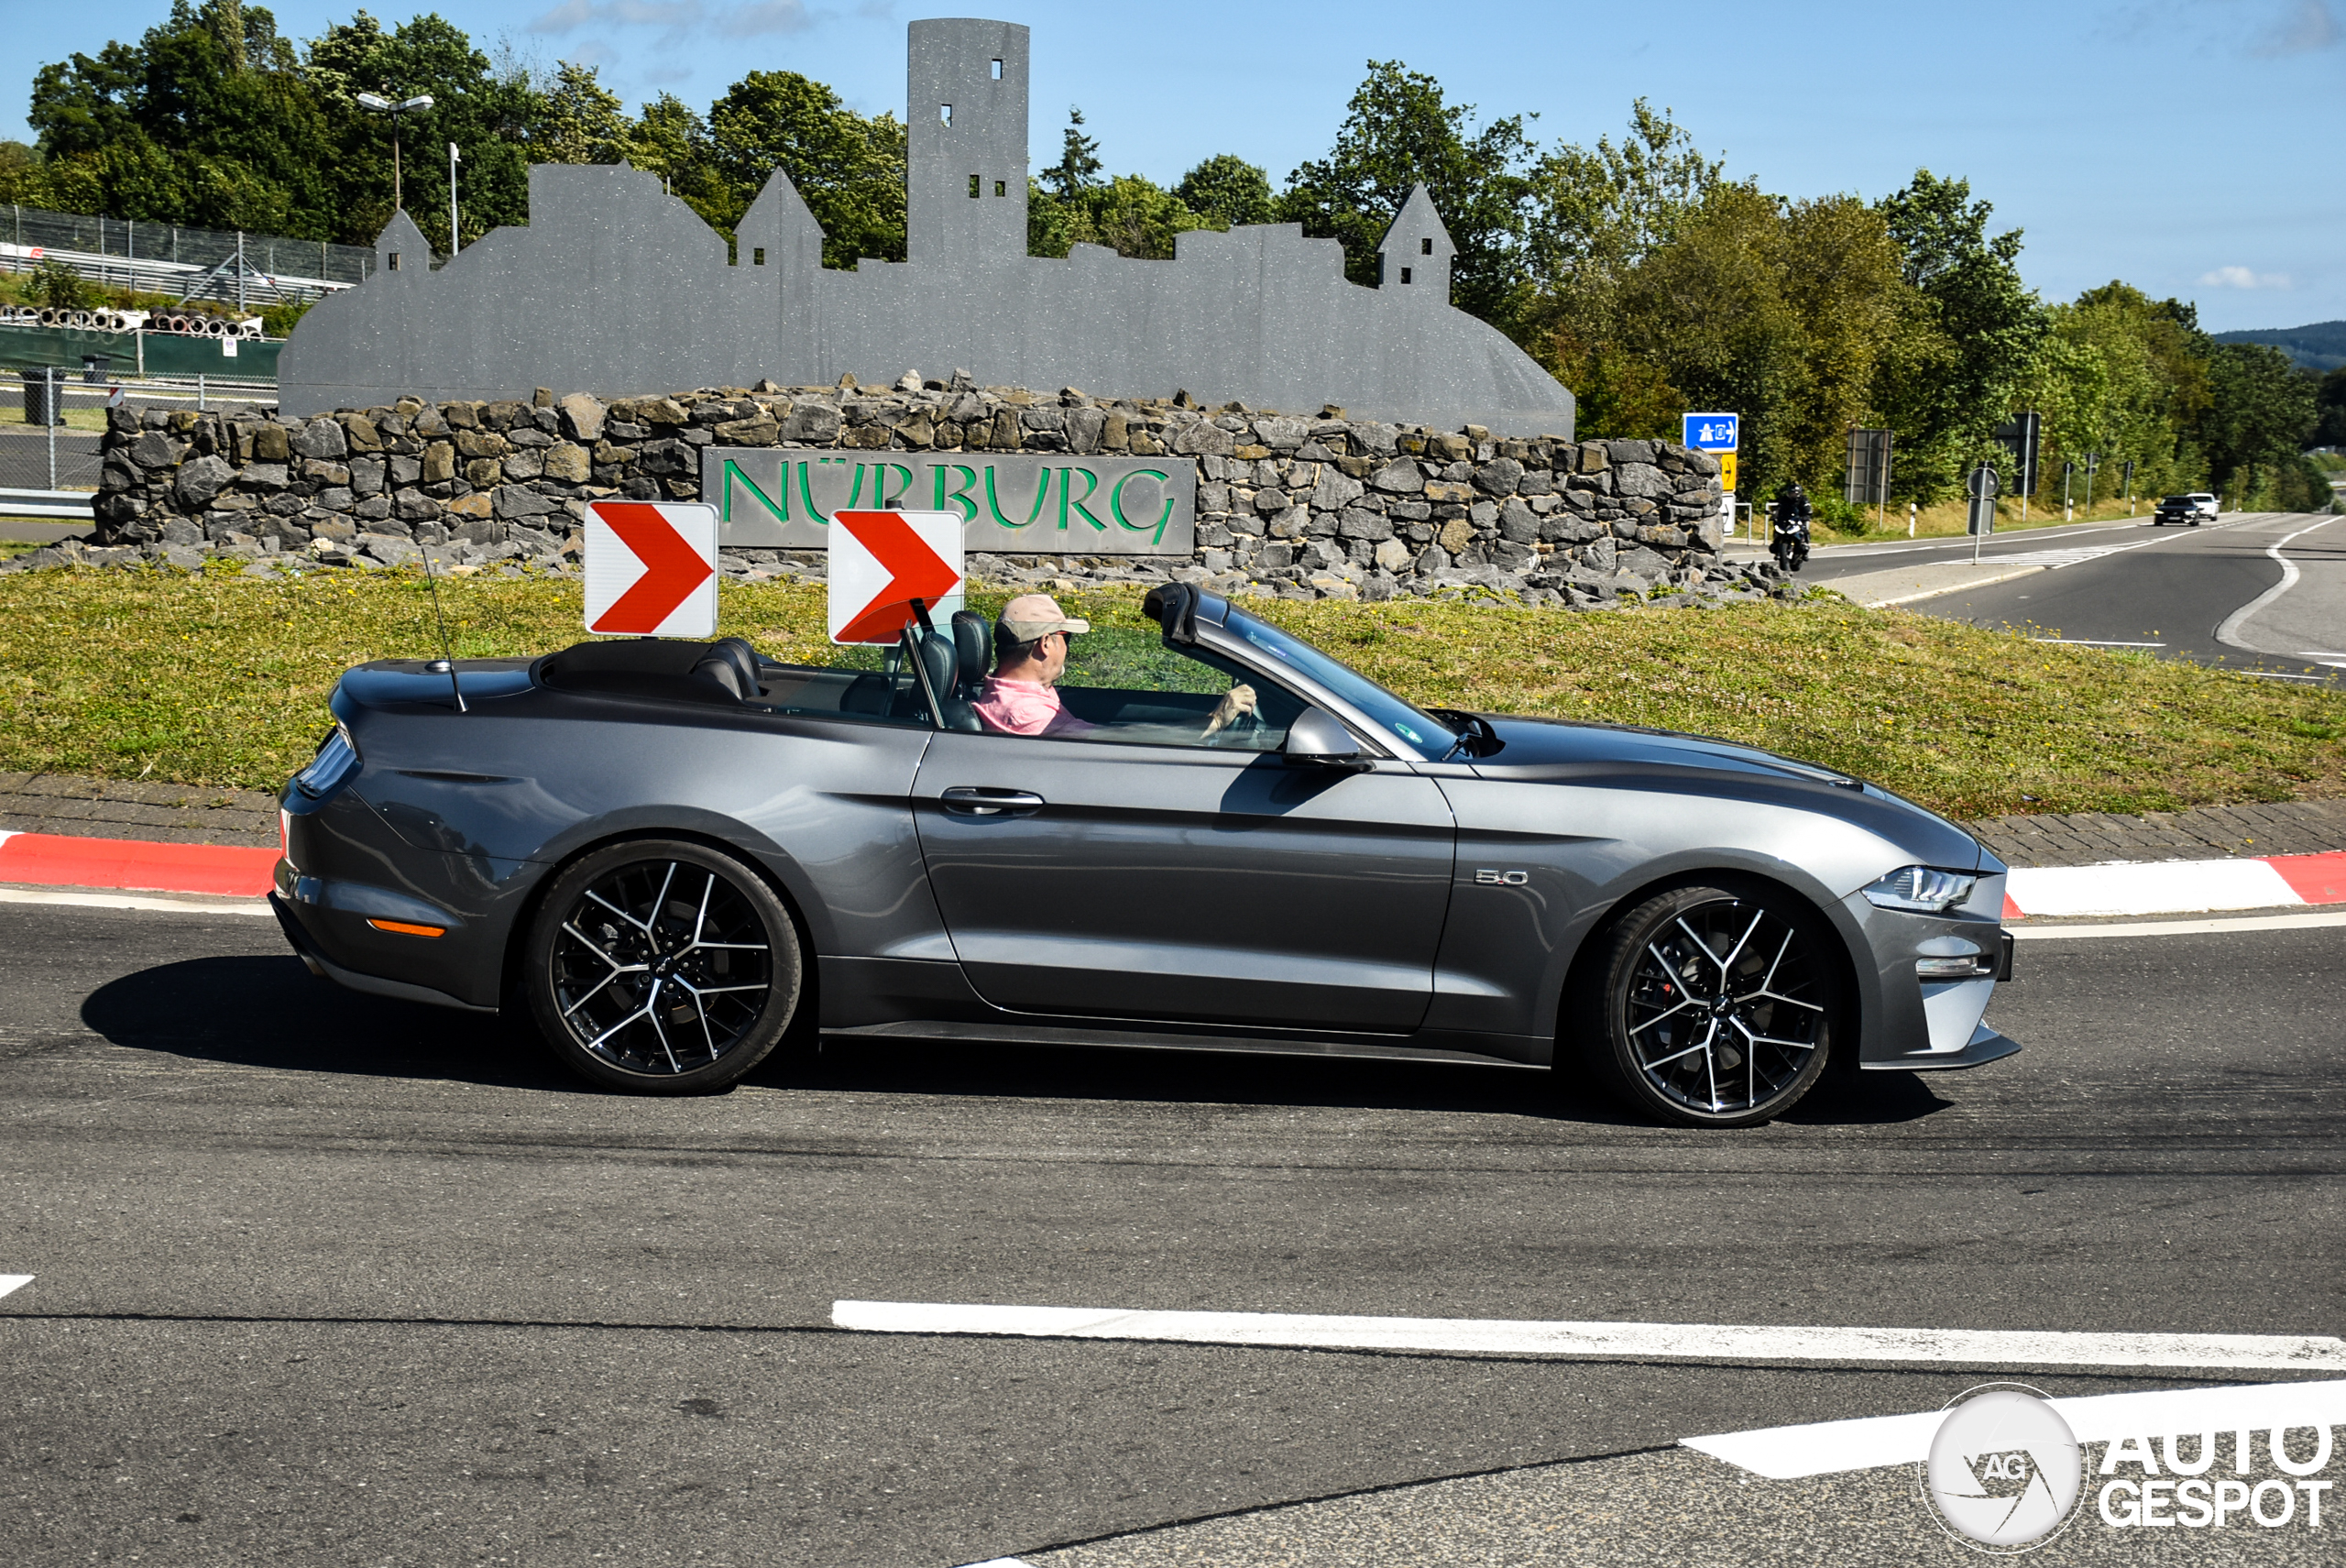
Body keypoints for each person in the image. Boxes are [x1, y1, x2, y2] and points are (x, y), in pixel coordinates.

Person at [970, 593, 1257, 740]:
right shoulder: (1026, 714)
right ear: (1045, 644)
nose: (1068, 648)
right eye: (1065, 637)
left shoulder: (1006, 690)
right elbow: (1119, 742)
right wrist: (1216, 721)